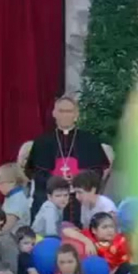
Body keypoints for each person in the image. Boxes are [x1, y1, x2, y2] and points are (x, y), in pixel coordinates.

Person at [25, 96, 110, 224]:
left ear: (76, 115)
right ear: (54, 114)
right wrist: (56, 181)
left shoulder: (89, 140)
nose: (65, 115)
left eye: (69, 111)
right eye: (61, 111)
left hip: (80, 200)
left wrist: (78, 178)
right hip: (50, 198)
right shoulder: (42, 142)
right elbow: (35, 173)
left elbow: (98, 171)